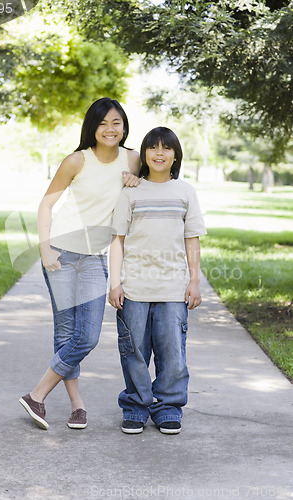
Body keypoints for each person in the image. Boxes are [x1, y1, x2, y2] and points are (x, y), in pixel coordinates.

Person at [20, 97, 140, 430]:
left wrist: (138, 181)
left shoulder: (134, 159)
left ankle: (36, 395)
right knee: (66, 334)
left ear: (124, 127)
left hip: (95, 258)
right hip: (61, 251)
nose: (110, 129)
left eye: (116, 123)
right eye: (103, 123)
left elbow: (157, 183)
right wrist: (45, 249)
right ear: (93, 127)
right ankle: (77, 405)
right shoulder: (76, 161)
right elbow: (46, 206)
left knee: (86, 337)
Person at [109, 126, 207, 434]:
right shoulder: (131, 192)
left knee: (172, 352)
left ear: (176, 155)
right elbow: (118, 241)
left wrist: (194, 282)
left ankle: (167, 407)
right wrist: (115, 282)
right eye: (153, 148)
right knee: (134, 351)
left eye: (167, 148)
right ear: (145, 154)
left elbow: (192, 239)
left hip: (173, 288)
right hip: (135, 286)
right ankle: (137, 406)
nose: (160, 153)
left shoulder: (185, 192)